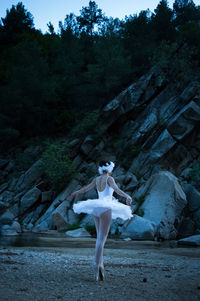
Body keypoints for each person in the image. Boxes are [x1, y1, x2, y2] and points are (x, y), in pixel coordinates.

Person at [71, 160, 133, 281]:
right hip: (105, 208)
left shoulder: (97, 179)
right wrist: (127, 196)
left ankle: (101, 265)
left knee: (99, 238)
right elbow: (117, 190)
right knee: (102, 239)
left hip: (96, 207)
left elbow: (85, 189)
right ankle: (95, 265)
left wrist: (76, 192)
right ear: (110, 168)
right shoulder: (110, 179)